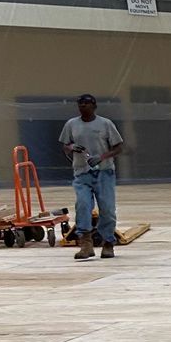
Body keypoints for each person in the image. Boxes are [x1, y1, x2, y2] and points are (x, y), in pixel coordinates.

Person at [59, 94, 123, 261]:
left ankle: (108, 241)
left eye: (86, 104)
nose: (83, 107)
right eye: (80, 104)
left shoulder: (105, 124)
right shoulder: (71, 124)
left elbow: (118, 147)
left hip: (104, 172)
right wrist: (71, 147)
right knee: (83, 205)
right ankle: (85, 243)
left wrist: (102, 157)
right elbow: (65, 145)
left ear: (94, 106)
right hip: (82, 173)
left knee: (107, 208)